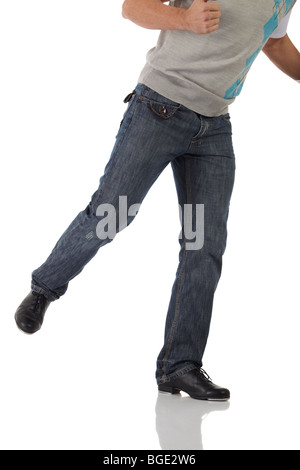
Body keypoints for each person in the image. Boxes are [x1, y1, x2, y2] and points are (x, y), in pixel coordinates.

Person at [15, 0, 299, 401]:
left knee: (203, 245)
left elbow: (275, 42)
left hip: (213, 129)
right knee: (110, 216)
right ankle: (44, 288)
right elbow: (133, 8)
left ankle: (178, 367)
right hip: (159, 110)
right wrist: (184, 17)